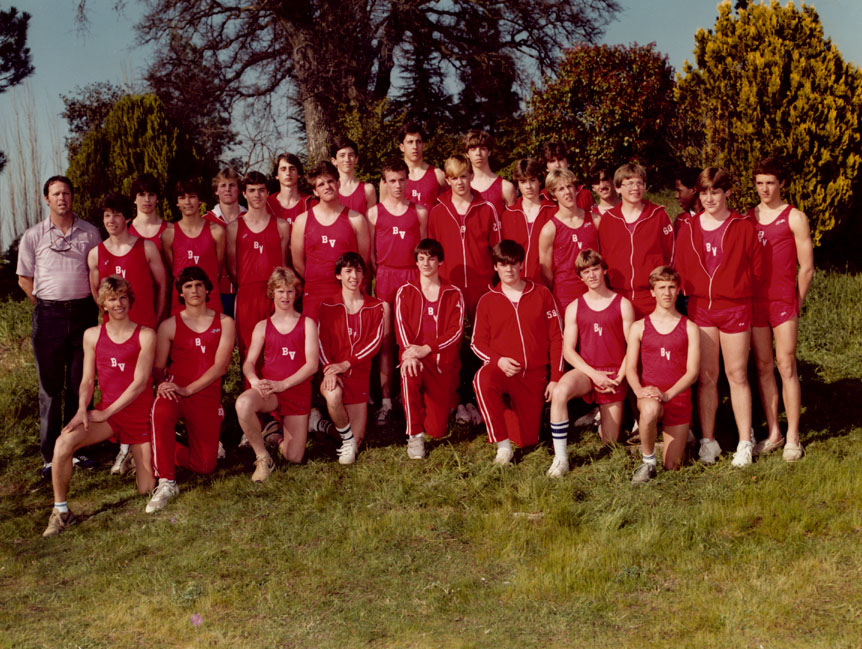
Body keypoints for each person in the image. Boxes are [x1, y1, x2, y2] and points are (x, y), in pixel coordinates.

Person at [42, 277, 157, 536]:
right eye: (113, 299)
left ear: (130, 300)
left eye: (123, 297)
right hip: (108, 415)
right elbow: (86, 379)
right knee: (63, 443)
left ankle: (151, 448)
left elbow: (140, 383)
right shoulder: (92, 335)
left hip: (138, 415)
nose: (119, 304)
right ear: (103, 304)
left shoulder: (146, 334)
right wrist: (83, 408)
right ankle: (60, 512)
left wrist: (106, 411)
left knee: (146, 490)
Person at [673, 167, 762, 467]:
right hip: (701, 308)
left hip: (735, 308)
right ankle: (708, 441)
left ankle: (744, 442)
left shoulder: (743, 226)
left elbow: (758, 270)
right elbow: (680, 268)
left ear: (727, 192)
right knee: (707, 377)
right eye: (704, 192)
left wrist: (737, 289)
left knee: (737, 376)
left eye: (715, 191)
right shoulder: (689, 227)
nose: (709, 198)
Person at [17, 175, 101, 477]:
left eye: (66, 192)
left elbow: (98, 272)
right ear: (46, 199)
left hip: (83, 314)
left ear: (73, 197)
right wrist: (42, 304)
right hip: (49, 315)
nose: (61, 198)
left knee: (81, 383)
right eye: (56, 194)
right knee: (50, 389)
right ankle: (51, 455)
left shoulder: (90, 233)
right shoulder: (33, 235)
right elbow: (24, 277)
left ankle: (78, 448)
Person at [147, 266, 235, 513]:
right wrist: (162, 383)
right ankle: (167, 480)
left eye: (198, 285)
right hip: (176, 389)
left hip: (205, 393)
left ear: (208, 289)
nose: (194, 290)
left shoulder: (225, 322)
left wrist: (188, 390)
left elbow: (220, 367)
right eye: (188, 286)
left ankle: (153, 447)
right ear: (181, 293)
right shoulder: (169, 325)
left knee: (205, 465)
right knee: (161, 411)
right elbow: (158, 366)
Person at [471, 240, 563, 465]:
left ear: (521, 264)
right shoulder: (487, 300)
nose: (509, 269)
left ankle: (508, 413)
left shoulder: (541, 293)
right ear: (495, 267)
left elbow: (557, 337)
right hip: (502, 370)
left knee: (527, 440)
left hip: (533, 374)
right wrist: (498, 360)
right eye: (503, 264)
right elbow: (477, 342)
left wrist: (555, 379)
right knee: (481, 379)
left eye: (513, 264)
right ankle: (502, 446)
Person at [747, 156, 814, 462]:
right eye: (760, 183)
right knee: (763, 367)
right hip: (755, 303)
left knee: (786, 365)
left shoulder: (794, 217)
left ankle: (794, 437)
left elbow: (807, 268)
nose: (764, 188)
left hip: (783, 302)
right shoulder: (748, 217)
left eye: (770, 183)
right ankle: (774, 432)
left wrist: (795, 303)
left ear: (782, 183)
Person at [547, 250, 634, 477]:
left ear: (604, 270)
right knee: (559, 392)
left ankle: (599, 417)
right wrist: (594, 374)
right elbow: (568, 351)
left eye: (595, 269)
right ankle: (561, 458)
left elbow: (632, 348)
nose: (592, 275)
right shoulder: (575, 307)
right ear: (581, 278)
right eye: (586, 272)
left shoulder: (622, 304)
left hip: (614, 375)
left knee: (610, 442)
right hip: (587, 372)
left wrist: (619, 377)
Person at [234, 267, 319, 481]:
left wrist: (284, 385)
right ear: (272, 292)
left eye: (290, 291)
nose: (285, 296)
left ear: (296, 293)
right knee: (243, 404)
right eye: (280, 291)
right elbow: (249, 362)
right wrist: (254, 381)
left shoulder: (307, 323)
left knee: (294, 457)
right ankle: (263, 458)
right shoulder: (262, 326)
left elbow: (312, 365)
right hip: (270, 391)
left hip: (296, 390)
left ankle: (273, 435)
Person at [625, 266, 700, 483]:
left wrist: (667, 394)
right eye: (661, 288)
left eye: (671, 287)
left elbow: (693, 372)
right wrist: (639, 392)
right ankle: (648, 462)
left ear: (678, 291)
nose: (666, 293)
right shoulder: (639, 327)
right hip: (649, 397)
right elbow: (630, 368)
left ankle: (683, 437)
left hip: (677, 400)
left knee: (672, 466)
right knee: (649, 409)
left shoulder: (690, 327)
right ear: (652, 291)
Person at [367, 157, 428, 423]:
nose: (398, 185)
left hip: (412, 276)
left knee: (414, 338)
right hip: (386, 276)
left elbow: (425, 250)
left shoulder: (420, 212)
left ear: (408, 180)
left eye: (402, 179)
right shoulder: (374, 213)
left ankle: (416, 396)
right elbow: (370, 255)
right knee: (386, 340)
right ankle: (386, 400)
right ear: (384, 183)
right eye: (392, 180)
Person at [394, 239, 465, 459]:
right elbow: (401, 326)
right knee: (408, 370)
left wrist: (427, 348)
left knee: (437, 430)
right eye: (421, 258)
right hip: (415, 358)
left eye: (431, 258)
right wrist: (410, 353)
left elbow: (456, 332)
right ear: (416, 262)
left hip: (440, 363)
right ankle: (414, 434)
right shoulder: (405, 291)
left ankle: (435, 405)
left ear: (440, 262)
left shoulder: (453, 293)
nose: (426, 263)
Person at [318, 253, 386, 464]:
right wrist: (329, 369)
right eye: (348, 271)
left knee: (358, 440)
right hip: (334, 374)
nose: (353, 276)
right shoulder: (328, 306)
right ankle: (346, 438)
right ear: (338, 275)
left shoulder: (375, 306)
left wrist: (346, 364)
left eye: (358, 271)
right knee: (332, 395)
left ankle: (324, 426)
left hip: (358, 377)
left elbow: (374, 344)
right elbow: (321, 343)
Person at [291, 160, 370, 321]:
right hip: (314, 291)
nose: (327, 186)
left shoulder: (356, 219)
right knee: (314, 343)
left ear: (338, 183)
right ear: (315, 191)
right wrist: (317, 277)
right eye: (321, 184)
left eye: (330, 181)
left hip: (347, 291)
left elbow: (363, 259)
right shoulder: (302, 220)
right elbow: (298, 262)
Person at [226, 171, 290, 364]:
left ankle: (276, 393)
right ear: (244, 194)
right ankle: (249, 392)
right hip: (248, 295)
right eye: (251, 190)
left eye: (261, 190)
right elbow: (232, 268)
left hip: (276, 294)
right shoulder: (234, 227)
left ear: (267, 192)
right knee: (249, 349)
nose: (257, 195)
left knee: (277, 347)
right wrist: (248, 285)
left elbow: (284, 264)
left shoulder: (281, 225)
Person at [427, 154, 501, 318]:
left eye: (463, 177)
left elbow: (497, 248)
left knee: (484, 335)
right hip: (449, 283)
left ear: (471, 176)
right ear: (447, 180)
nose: (459, 182)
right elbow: (433, 251)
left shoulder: (487, 209)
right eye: (454, 178)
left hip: (481, 283)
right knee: (451, 337)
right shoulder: (437, 211)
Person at [598, 163, 675, 319]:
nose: (635, 188)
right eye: (630, 183)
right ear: (618, 188)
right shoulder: (608, 219)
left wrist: (663, 286)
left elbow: (671, 254)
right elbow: (603, 256)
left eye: (639, 183)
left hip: (653, 295)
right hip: (618, 295)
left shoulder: (659, 215)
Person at [88, 192, 167, 330]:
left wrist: (157, 319)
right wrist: (109, 314)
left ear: (127, 218)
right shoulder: (95, 254)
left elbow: (162, 286)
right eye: (107, 215)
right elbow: (96, 293)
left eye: (117, 215)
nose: (111, 220)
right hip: (115, 332)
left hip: (145, 327)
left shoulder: (147, 247)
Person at [538, 168, 600, 311]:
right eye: (561, 189)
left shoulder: (595, 220)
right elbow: (546, 271)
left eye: (569, 186)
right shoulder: (549, 229)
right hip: (566, 295)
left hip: (595, 290)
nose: (567, 192)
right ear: (553, 195)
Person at [162, 179, 226, 315]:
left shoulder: (216, 232)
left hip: (210, 298)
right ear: (177, 202)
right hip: (181, 301)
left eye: (191, 197)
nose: (187, 202)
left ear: (199, 200)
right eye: (182, 198)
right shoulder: (169, 234)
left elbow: (218, 268)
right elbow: (173, 269)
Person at [500, 158, 556, 284]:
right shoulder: (508, 215)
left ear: (540, 181)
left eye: (532, 180)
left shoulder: (554, 211)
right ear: (517, 184)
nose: (528, 186)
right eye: (523, 181)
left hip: (546, 283)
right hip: (516, 284)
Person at [204, 167, 247, 314]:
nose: (227, 189)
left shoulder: (250, 218)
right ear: (216, 190)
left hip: (245, 288)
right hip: (217, 291)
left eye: (232, 185)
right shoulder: (206, 221)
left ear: (239, 190)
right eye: (223, 185)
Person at [463, 129, 516, 216]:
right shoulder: (461, 185)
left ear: (489, 152)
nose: (478, 153)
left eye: (483, 149)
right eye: (473, 149)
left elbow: (513, 224)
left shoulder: (506, 187)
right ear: (467, 154)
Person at [397, 121, 447, 209]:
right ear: (402, 147)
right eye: (410, 142)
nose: (415, 146)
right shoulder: (391, 177)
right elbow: (384, 215)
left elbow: (449, 208)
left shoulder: (437, 175)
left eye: (418, 142)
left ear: (424, 145)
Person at [541, 142, 594, 212]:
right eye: (552, 161)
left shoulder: (584, 195)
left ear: (568, 162)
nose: (557, 165)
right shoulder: (542, 197)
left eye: (560, 159)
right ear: (546, 167)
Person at [330, 136, 377, 215]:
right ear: (334, 161)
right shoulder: (329, 189)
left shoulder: (368, 189)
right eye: (342, 155)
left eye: (351, 155)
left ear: (356, 159)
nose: (347, 159)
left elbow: (371, 224)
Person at [267, 153, 313, 227]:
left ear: (299, 174)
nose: (288, 173)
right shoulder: (267, 204)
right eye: (283, 169)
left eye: (292, 169)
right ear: (277, 175)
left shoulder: (311, 204)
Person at [128, 173, 168, 252]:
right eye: (142, 195)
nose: (147, 199)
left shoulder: (169, 229)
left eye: (151, 194)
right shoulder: (126, 230)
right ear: (134, 199)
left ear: (157, 199)